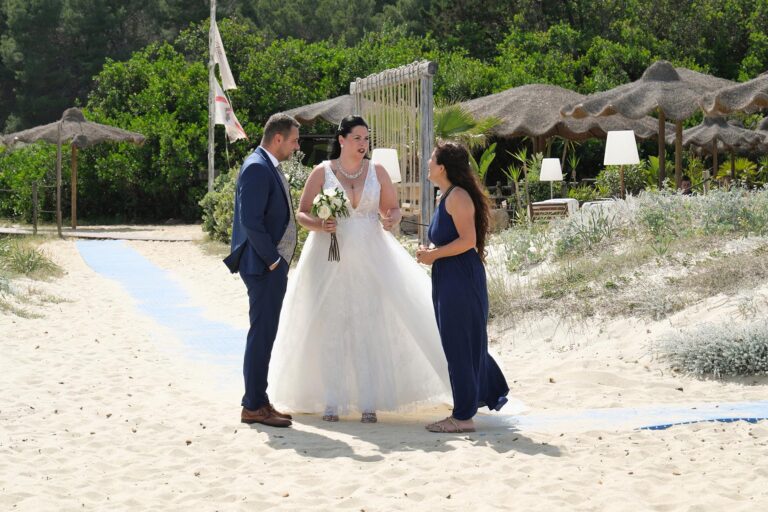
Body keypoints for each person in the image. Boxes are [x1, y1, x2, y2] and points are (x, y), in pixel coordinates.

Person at [267, 115, 451, 423]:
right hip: (328, 257)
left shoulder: (377, 171)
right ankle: (331, 400)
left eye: (367, 139)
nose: (364, 144)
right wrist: (319, 224)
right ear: (341, 139)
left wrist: (391, 218)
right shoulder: (321, 172)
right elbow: (301, 213)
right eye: (357, 138)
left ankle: (369, 401)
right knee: (330, 325)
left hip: (371, 256)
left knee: (369, 323)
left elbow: (390, 208)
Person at [416, 141, 509, 434]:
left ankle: (463, 415)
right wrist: (431, 251)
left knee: (461, 345)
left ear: (442, 167)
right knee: (459, 344)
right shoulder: (446, 195)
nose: (427, 162)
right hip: (448, 276)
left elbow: (468, 241)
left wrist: (433, 255)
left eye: (431, 158)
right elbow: (450, 238)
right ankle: (477, 398)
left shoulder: (457, 197)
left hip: (460, 278)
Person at [224, 113, 301, 428]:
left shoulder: (264, 164)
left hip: (268, 266)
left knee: (265, 333)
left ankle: (259, 399)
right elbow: (251, 221)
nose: (296, 147)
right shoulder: (257, 167)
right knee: (261, 334)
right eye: (294, 141)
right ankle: (253, 405)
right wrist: (273, 261)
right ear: (278, 138)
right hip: (263, 267)